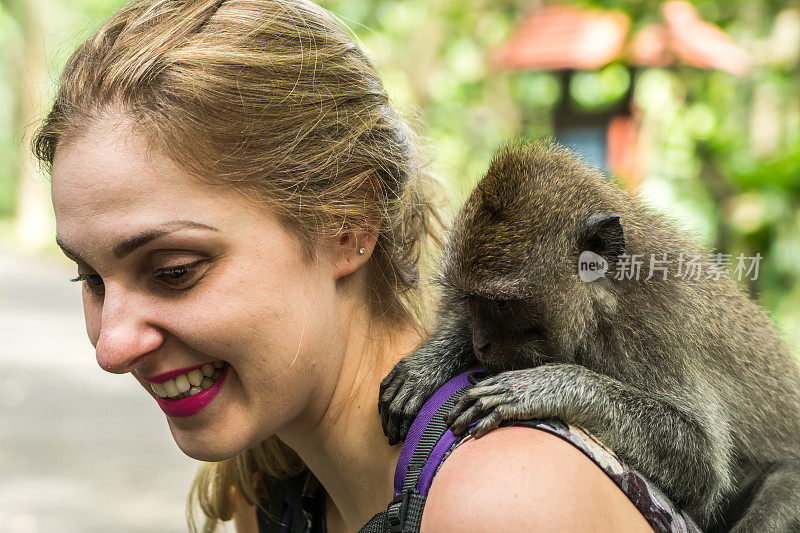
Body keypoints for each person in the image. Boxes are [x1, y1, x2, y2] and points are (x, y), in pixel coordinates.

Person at [35, 0, 695, 531]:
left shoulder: (502, 499)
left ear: (350, 225)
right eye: (91, 278)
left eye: (174, 269)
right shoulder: (270, 490)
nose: (113, 346)